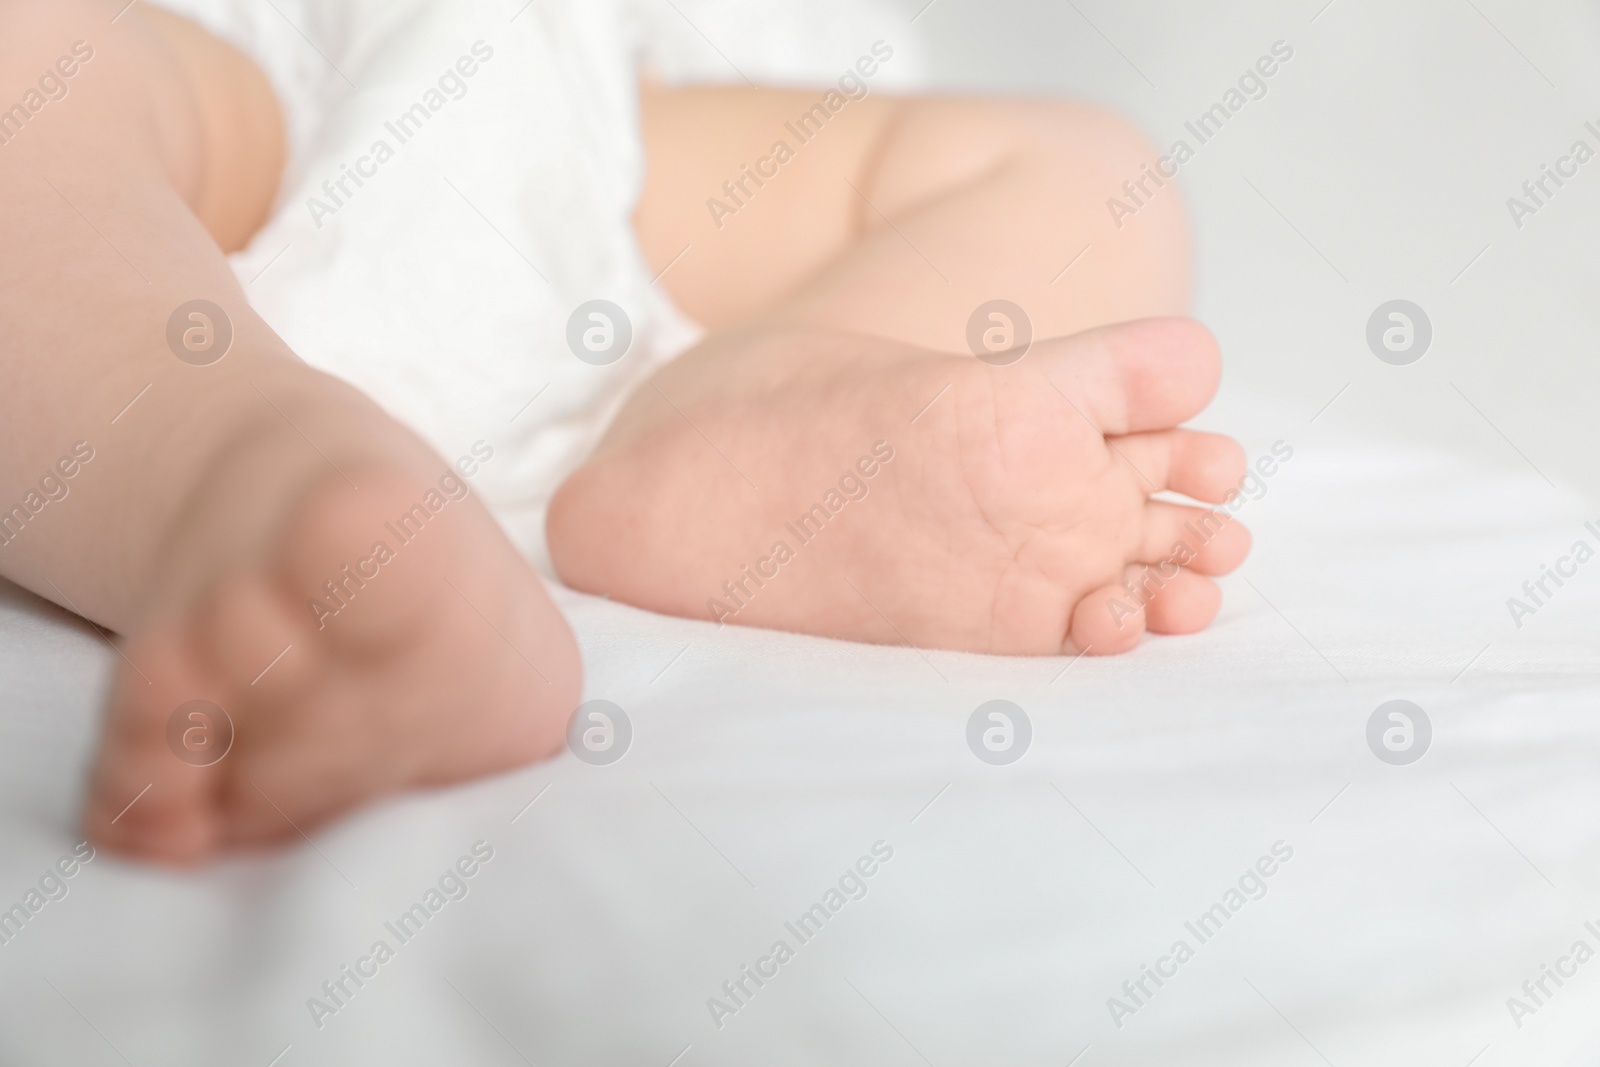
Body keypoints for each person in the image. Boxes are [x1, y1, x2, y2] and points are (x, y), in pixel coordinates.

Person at [0, 0, 1248, 864]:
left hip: (628, 132)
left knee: (1086, 166)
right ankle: (257, 469)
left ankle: (772, 405)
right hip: (244, 94)